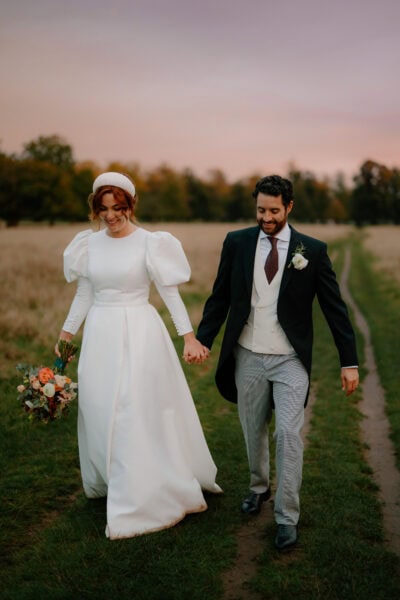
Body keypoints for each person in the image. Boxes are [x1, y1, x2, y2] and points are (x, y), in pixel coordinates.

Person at [195, 175, 359, 550]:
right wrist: (204, 340)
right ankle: (258, 488)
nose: (266, 217)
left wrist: (348, 361)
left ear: (289, 207)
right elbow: (219, 296)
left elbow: (335, 309)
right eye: (260, 210)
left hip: (290, 360)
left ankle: (286, 516)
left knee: (287, 433)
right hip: (248, 355)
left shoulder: (312, 251)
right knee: (253, 432)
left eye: (273, 210)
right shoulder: (237, 243)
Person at [55, 171, 221, 540]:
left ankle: (141, 493)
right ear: (95, 210)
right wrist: (66, 335)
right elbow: (84, 294)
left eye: (118, 208)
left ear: (131, 205)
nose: (111, 216)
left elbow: (170, 294)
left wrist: (189, 338)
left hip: (140, 333)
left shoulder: (151, 243)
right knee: (100, 408)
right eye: (103, 209)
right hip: (100, 334)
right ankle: (113, 476)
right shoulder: (89, 245)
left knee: (132, 408)